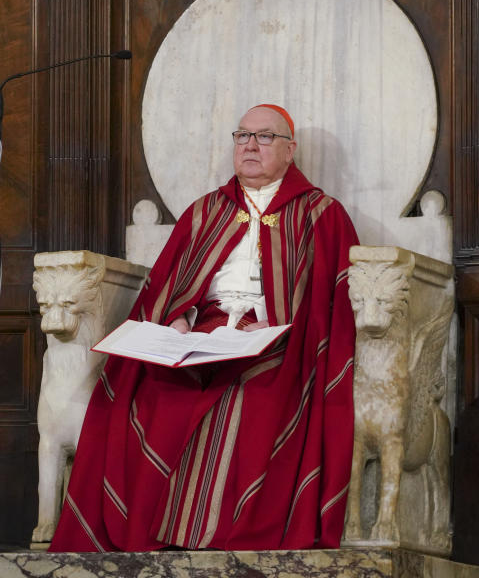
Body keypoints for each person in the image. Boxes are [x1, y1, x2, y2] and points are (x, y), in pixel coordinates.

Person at [48, 104, 359, 551]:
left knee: (247, 397)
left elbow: (328, 307)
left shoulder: (321, 213)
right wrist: (176, 323)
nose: (250, 145)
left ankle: (223, 540)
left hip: (277, 342)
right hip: (201, 334)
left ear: (291, 150)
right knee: (151, 392)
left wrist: (268, 332)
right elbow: (169, 286)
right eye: (242, 136)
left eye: (265, 137)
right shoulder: (206, 211)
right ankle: (146, 534)